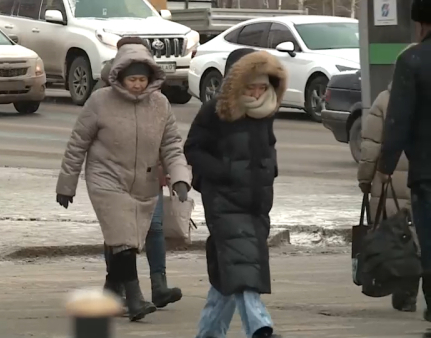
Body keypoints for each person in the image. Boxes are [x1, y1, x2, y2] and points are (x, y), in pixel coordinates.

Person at [55, 42, 191, 322]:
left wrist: (180, 179)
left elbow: (172, 146)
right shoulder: (100, 101)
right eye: (133, 79)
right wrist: (66, 185)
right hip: (106, 179)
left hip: (143, 183)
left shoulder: (160, 105)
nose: (138, 85)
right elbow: (77, 143)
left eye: (142, 79)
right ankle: (135, 298)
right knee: (124, 240)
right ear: (120, 77)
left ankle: (110, 293)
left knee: (125, 241)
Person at [184, 48, 287, 338]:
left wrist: (270, 172)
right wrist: (224, 173)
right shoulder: (216, 110)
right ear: (236, 82)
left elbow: (269, 148)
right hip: (224, 201)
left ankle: (209, 333)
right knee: (243, 270)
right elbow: (193, 148)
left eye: (262, 87)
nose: (256, 93)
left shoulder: (266, 111)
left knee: (228, 272)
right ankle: (260, 328)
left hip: (256, 202)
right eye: (251, 86)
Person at [94, 36, 183, 310]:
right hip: (113, 177)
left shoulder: (156, 96)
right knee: (120, 234)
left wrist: (173, 172)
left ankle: (158, 286)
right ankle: (120, 288)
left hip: (147, 174)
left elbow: (169, 140)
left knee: (154, 229)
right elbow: (86, 136)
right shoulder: (105, 91)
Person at [377, 0, 431, 322]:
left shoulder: (411, 61)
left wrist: (385, 167)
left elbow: (398, 120)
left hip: (427, 173)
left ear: (421, 24)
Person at [358, 43, 419, 313]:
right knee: (421, 238)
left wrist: (365, 179)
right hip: (420, 181)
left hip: (389, 180)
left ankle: (404, 295)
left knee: (399, 239)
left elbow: (370, 146)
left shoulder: (384, 100)